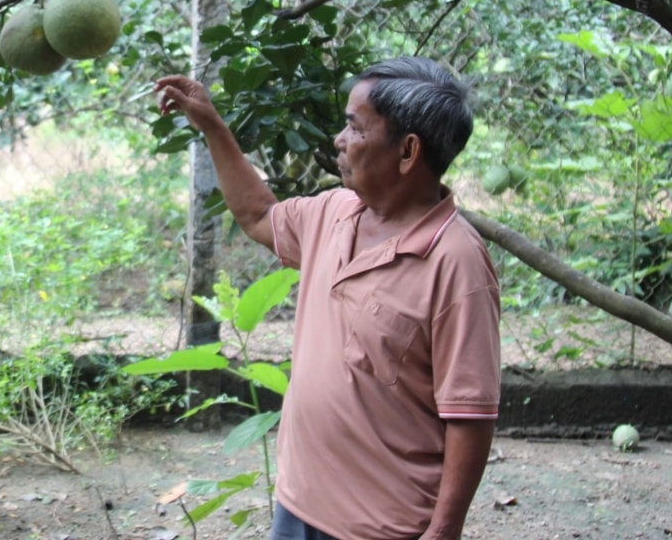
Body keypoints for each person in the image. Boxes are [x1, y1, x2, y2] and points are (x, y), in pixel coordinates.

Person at [155, 57, 500, 540]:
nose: (339, 140)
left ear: (407, 151)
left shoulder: (456, 261)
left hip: (383, 526)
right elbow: (257, 215)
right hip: (297, 505)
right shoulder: (334, 212)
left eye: (353, 127)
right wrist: (213, 125)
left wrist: (443, 531)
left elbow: (470, 415)